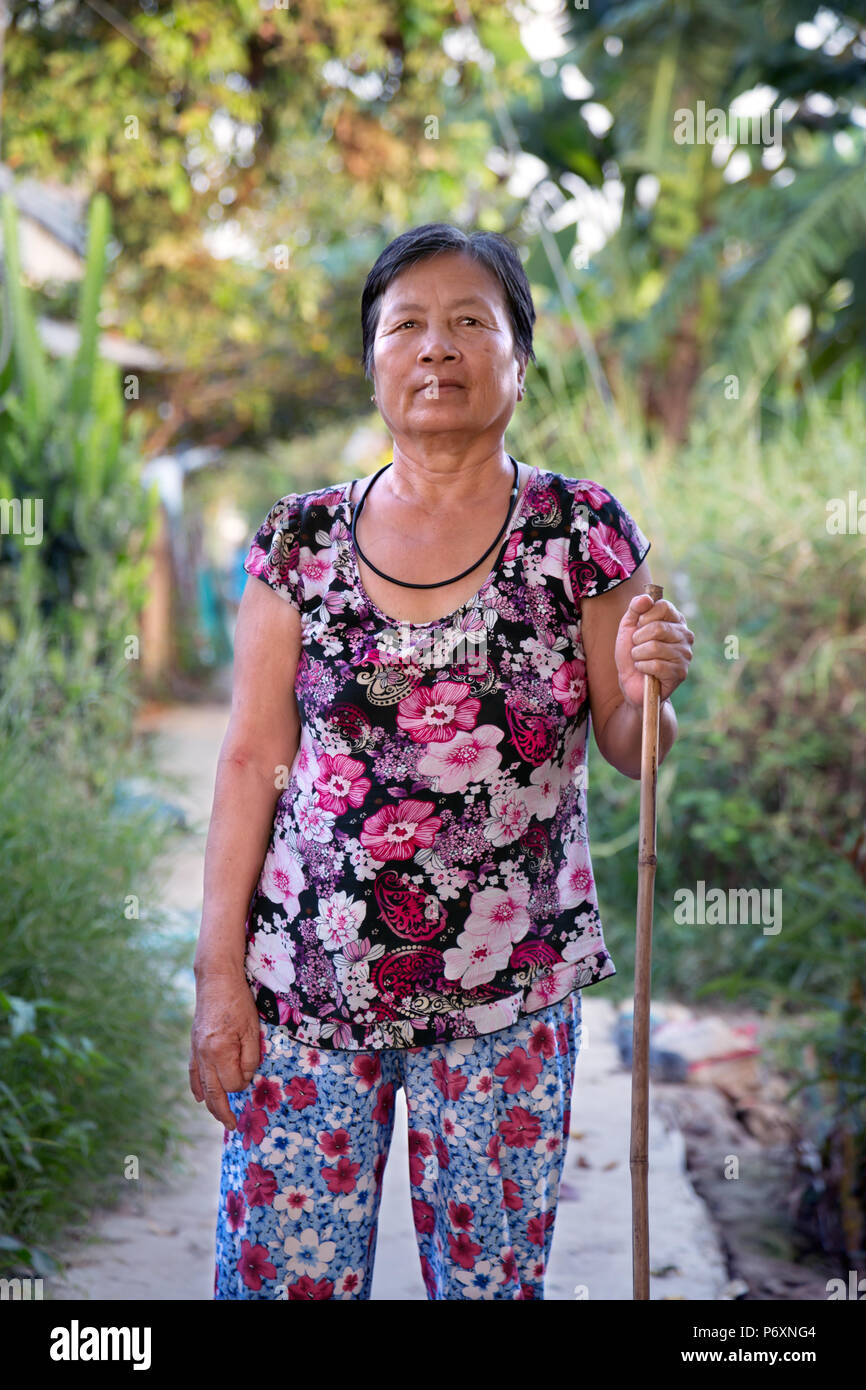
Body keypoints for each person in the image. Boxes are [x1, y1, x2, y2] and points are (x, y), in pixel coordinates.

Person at [189, 222, 695, 1300]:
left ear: (519, 358)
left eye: (472, 322)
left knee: (487, 1285)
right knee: (288, 1280)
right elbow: (249, 759)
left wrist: (655, 687)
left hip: (508, 992)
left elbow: (626, 744)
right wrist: (216, 974)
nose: (437, 348)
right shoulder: (300, 542)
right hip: (306, 989)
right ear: (371, 360)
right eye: (405, 325)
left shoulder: (580, 530)